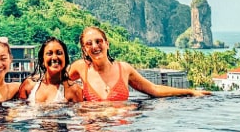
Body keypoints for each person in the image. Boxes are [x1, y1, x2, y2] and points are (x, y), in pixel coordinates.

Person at [69, 26, 211, 101]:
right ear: (85, 49)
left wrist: (190, 92)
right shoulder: (81, 67)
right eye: (89, 44)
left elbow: (154, 89)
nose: (95, 46)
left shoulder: (124, 69)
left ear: (107, 44)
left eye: (98, 41)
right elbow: (54, 81)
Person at [16, 36, 82, 104]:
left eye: (59, 53)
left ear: (65, 59)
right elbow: (18, 110)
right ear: (42, 60)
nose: (54, 57)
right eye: (49, 53)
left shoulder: (74, 90)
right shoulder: (29, 85)